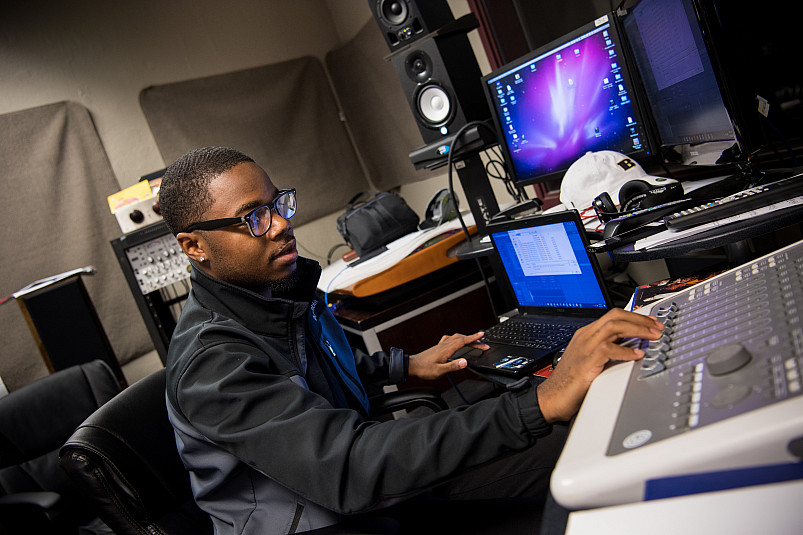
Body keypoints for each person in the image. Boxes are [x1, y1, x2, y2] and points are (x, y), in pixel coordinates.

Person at [158, 146, 664, 534]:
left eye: (278, 204)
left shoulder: (271, 294)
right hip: (334, 518)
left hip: (369, 491)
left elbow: (316, 373)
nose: (282, 225)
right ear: (194, 246)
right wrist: (540, 403)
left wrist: (404, 366)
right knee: (570, 466)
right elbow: (349, 468)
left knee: (579, 446)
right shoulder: (214, 363)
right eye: (254, 217)